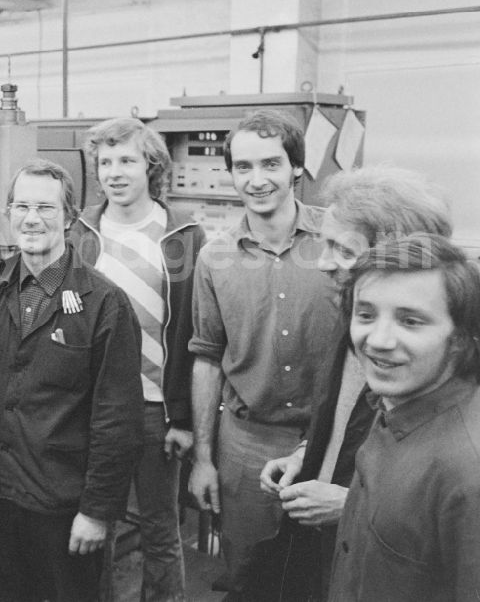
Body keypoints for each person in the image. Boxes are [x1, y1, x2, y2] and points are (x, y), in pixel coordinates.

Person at [253, 166, 452, 600]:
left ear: (395, 253)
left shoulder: (446, 371)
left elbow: (449, 503)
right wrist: (305, 455)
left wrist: (348, 505)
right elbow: (344, 418)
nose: (324, 263)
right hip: (327, 550)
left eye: (342, 250)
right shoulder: (350, 317)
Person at [0, 160, 144, 602]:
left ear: (70, 217)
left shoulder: (105, 305)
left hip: (60, 502)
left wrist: (97, 511)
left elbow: (117, 419)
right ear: (7, 213)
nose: (32, 218)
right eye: (21, 206)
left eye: (45, 206)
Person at [186, 110, 346, 599]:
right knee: (248, 576)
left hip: (330, 444)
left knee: (328, 577)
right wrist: (204, 458)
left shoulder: (340, 241)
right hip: (245, 444)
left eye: (271, 164)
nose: (257, 181)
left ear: (296, 168)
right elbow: (207, 359)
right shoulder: (214, 257)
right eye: (243, 167)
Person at [71, 118, 206, 602]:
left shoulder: (183, 236)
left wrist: (184, 417)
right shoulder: (82, 233)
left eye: (126, 160)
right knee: (96, 526)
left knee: (160, 529)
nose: (114, 172)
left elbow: (197, 334)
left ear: (151, 166)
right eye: (105, 162)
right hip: (95, 408)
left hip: (156, 410)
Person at [327, 233, 480, 601]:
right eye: (365, 314)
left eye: (410, 321)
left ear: (460, 338)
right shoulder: (391, 402)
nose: (377, 340)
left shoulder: (467, 471)